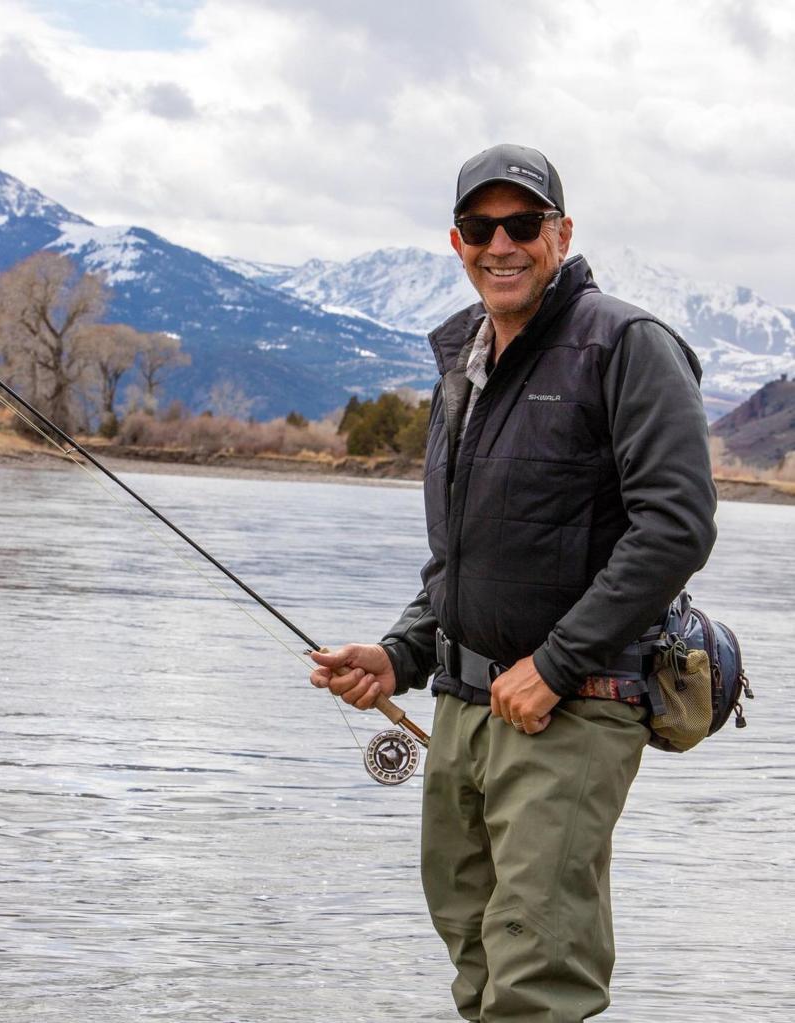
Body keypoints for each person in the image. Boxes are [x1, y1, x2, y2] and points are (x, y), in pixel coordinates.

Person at [310, 143, 717, 1022]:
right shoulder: (461, 361)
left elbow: (676, 526)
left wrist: (557, 665)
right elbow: (464, 553)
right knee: (475, 960)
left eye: (523, 224)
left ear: (560, 234)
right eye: (480, 227)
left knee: (537, 978)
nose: (502, 243)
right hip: (463, 705)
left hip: (575, 703)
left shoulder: (626, 345)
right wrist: (398, 653)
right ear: (456, 243)